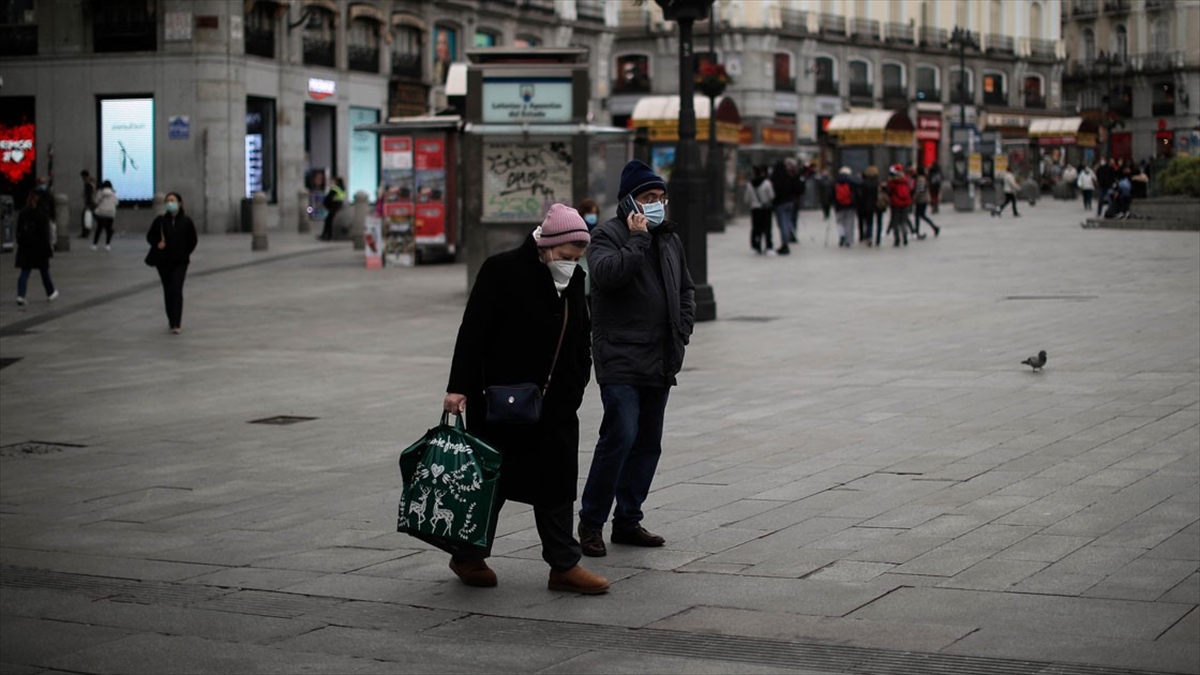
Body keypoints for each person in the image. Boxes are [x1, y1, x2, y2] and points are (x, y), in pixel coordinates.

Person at [442, 204, 608, 595]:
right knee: (493, 481)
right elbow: (473, 332)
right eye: (565, 257)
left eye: (576, 258)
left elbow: (581, 337)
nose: (570, 264)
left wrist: (576, 385)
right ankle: (467, 555)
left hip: (555, 406)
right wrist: (458, 387)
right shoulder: (501, 271)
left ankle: (563, 565)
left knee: (557, 483)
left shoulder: (573, 279)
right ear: (546, 246)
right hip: (501, 401)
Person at [578, 160, 696, 558]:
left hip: (660, 356)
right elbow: (607, 276)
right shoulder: (606, 236)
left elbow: (685, 289)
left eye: (661, 198)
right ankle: (591, 522)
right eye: (649, 198)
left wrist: (682, 329)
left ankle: (628, 519)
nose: (658, 205)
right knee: (620, 436)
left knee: (648, 443)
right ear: (630, 202)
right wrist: (637, 239)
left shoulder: (670, 239)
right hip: (621, 356)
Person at [146, 192, 198, 334]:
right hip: (163, 262)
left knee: (176, 288)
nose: (170, 203)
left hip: (180, 262)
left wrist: (185, 252)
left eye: (172, 200)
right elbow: (150, 236)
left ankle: (177, 323)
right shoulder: (160, 221)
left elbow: (193, 240)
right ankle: (171, 319)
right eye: (168, 201)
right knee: (168, 290)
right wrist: (158, 244)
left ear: (180, 203)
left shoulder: (186, 221)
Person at [14, 191, 59, 306]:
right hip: (40, 248)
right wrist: (49, 247)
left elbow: (18, 230)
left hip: (25, 247)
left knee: (25, 272)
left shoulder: (23, 212)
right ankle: (51, 292)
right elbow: (45, 234)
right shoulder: (42, 214)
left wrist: (21, 242)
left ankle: (20, 295)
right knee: (44, 272)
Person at [744, 165, 775, 255]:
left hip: (755, 209)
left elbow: (746, 199)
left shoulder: (749, 185)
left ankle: (756, 246)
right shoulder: (767, 183)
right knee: (767, 228)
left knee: (756, 228)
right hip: (765, 209)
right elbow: (772, 196)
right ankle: (768, 246)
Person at [769, 159, 798, 254]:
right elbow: (795, 188)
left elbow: (772, 193)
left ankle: (785, 243)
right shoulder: (788, 177)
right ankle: (787, 239)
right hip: (789, 202)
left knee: (782, 224)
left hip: (779, 203)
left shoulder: (774, 178)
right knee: (787, 221)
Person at [575, 197, 600, 302]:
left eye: (594, 214)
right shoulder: (576, 231)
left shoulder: (599, 232)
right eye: (589, 213)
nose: (592, 217)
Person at [885, 164, 912, 248]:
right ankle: (905, 236)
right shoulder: (905, 180)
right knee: (903, 221)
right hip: (905, 203)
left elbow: (889, 191)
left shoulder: (892, 182)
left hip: (895, 203)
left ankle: (897, 239)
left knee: (895, 221)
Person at [855, 166, 880, 247]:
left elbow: (860, 195)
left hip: (863, 204)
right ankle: (870, 236)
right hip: (873, 204)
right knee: (870, 221)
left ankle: (863, 235)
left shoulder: (863, 183)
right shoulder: (877, 183)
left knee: (863, 221)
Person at [912, 167, 940, 238]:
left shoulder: (920, 179)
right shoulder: (922, 178)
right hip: (923, 199)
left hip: (921, 200)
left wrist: (914, 198)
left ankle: (934, 227)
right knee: (919, 216)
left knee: (920, 215)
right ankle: (918, 230)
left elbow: (920, 191)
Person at [833, 167, 857, 247]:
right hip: (850, 205)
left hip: (839, 205)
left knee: (840, 222)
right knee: (849, 222)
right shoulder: (852, 183)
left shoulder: (836, 183)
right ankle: (848, 240)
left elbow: (832, 194)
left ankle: (841, 235)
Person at [91, 180, 118, 251]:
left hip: (101, 212)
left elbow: (96, 202)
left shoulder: (100, 192)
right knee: (109, 229)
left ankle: (95, 245)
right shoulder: (113, 193)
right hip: (111, 213)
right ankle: (107, 245)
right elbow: (116, 202)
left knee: (99, 228)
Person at [320, 176, 346, 241]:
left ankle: (326, 235)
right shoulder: (342, 188)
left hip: (333, 206)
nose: (333, 182)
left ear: (337, 181)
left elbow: (329, 196)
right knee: (329, 220)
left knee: (328, 221)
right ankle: (327, 235)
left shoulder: (336, 188)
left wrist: (325, 203)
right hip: (337, 206)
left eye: (334, 181)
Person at [80, 170, 97, 239]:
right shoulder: (92, 181)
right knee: (96, 216)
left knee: (85, 217)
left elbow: (88, 195)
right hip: (92, 202)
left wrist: (87, 204)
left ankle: (85, 233)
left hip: (90, 203)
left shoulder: (88, 183)